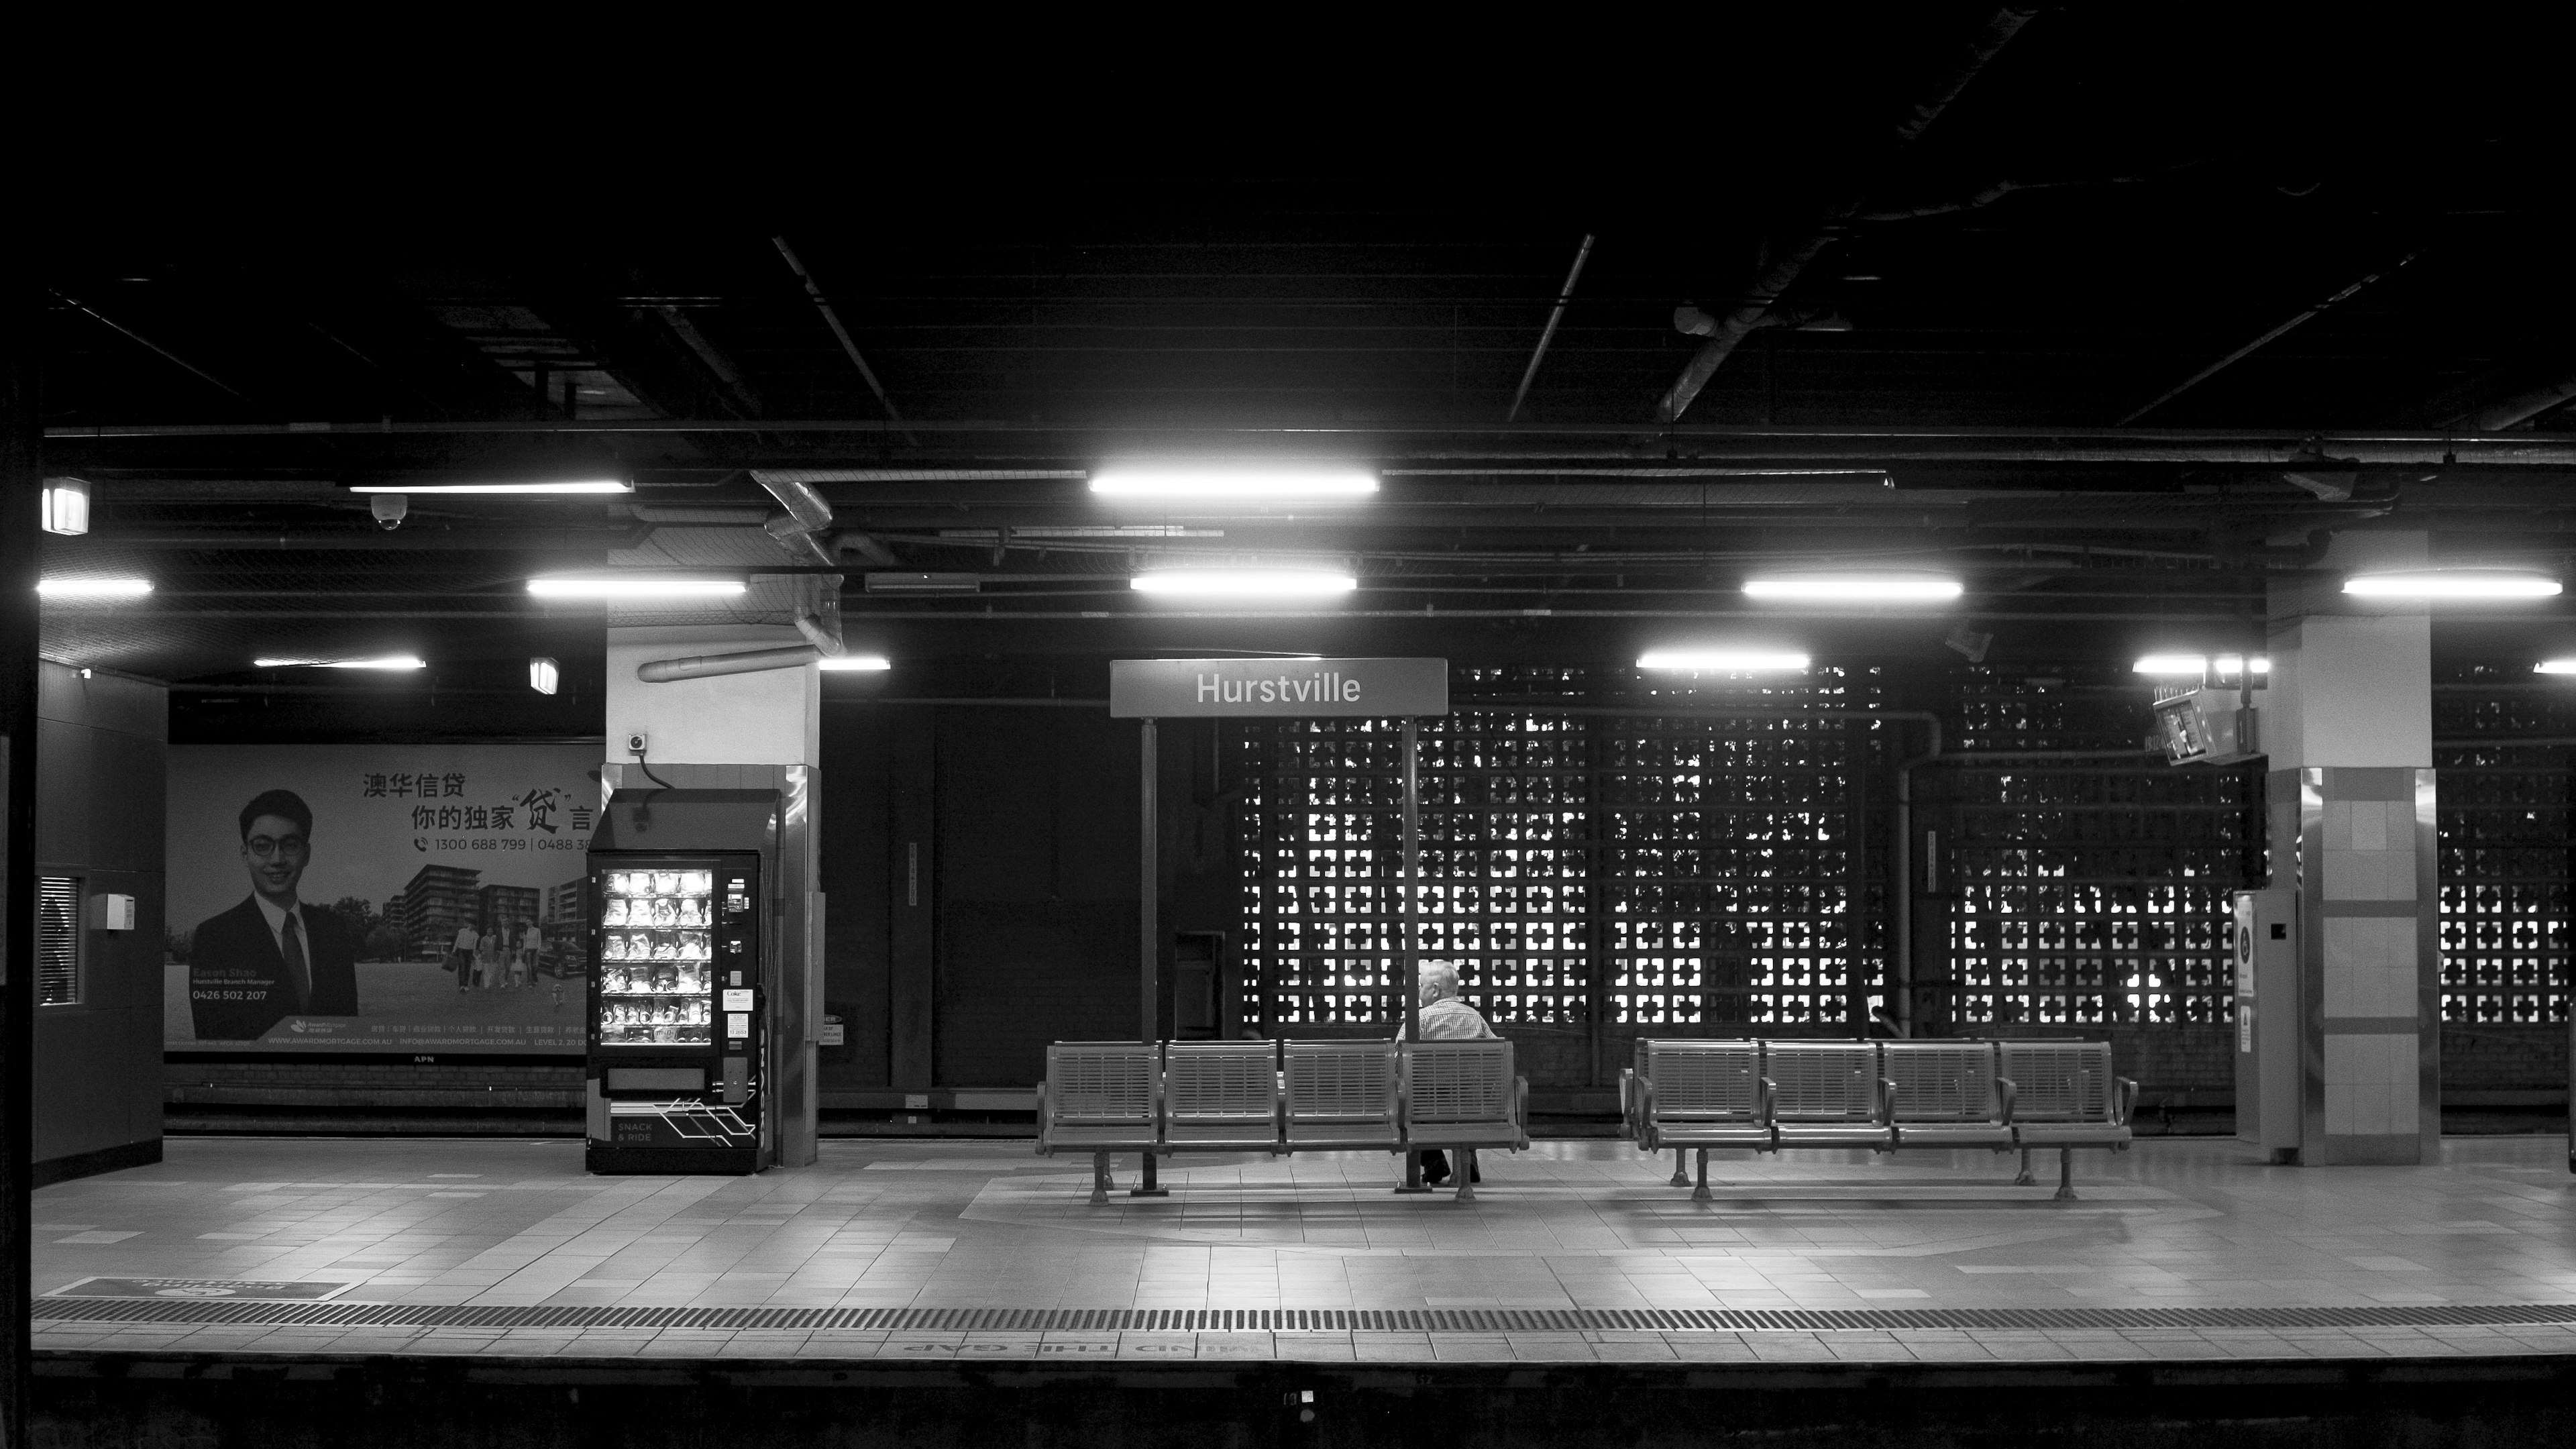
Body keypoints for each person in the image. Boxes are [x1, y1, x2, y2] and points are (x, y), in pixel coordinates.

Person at [188, 789, 360, 1040]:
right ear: (244, 853)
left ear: (307, 854)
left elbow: (347, 1029)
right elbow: (214, 1041)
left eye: (290, 845)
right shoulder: (215, 938)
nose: (277, 859)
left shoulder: (334, 931)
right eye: (262, 846)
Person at [1413, 961, 1495, 1186]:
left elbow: (1399, 1064)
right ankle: (1468, 1163)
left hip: (1429, 1106)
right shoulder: (1475, 1018)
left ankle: (1434, 1161)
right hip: (1471, 1104)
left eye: (1421, 986)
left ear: (1435, 990)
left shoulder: (1419, 1020)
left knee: (1413, 1101)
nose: (1419, 992)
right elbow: (1497, 1057)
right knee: (1467, 1098)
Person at [449, 920, 480, 993]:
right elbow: (458, 941)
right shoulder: (462, 931)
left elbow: (475, 945)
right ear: (469, 924)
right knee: (462, 968)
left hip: (469, 952)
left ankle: (466, 985)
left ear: (475, 927)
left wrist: (474, 955)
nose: (472, 926)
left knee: (467, 969)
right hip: (461, 951)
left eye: (473, 925)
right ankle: (461, 986)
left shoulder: (475, 934)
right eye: (471, 924)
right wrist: (454, 950)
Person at [515, 918, 543, 987]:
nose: (528, 923)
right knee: (529, 967)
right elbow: (525, 942)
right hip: (528, 950)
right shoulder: (526, 931)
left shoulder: (537, 930)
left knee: (536, 965)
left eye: (529, 922)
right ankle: (530, 983)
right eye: (527, 923)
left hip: (536, 950)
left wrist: (539, 949)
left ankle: (534, 978)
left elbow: (539, 940)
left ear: (532, 922)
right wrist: (524, 951)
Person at [474, 921, 502, 989]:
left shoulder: (496, 938)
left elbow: (498, 946)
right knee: (486, 971)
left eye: (491, 930)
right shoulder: (483, 939)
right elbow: (481, 947)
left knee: (492, 971)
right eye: (489, 930)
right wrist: (484, 952)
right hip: (486, 958)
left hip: (494, 957)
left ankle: (489, 982)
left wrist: (498, 952)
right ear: (486, 931)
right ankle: (486, 985)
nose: (490, 932)